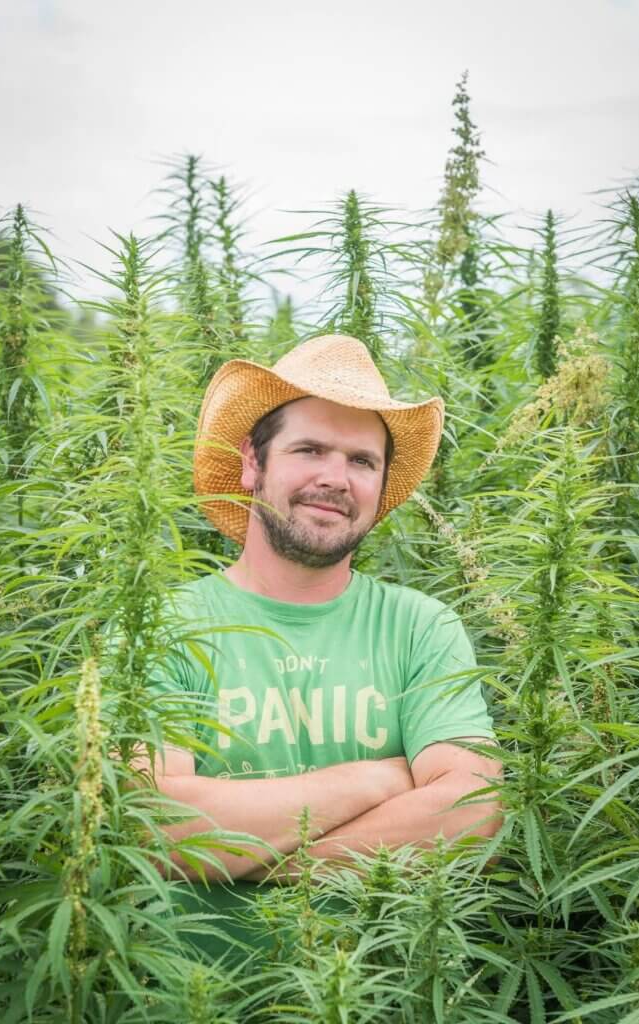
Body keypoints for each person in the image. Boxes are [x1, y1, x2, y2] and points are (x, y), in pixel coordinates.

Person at [142, 333, 502, 953]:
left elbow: (472, 815)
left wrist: (251, 856)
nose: (335, 478)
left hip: (380, 992)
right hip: (192, 992)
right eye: (309, 449)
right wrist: (374, 782)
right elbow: (151, 826)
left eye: (362, 461)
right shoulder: (163, 624)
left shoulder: (421, 626)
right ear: (252, 463)